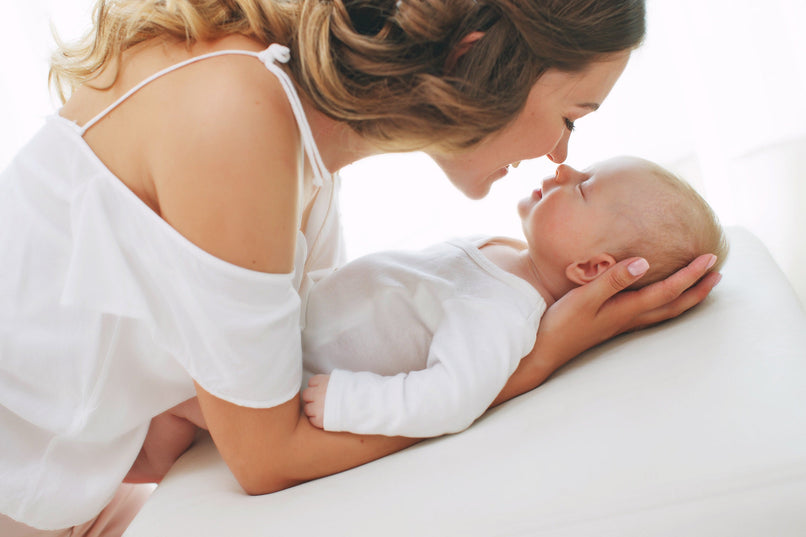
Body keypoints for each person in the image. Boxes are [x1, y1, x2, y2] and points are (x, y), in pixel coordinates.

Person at [0, 0, 721, 535]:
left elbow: (259, 381)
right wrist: (537, 357)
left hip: (68, 490)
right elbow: (266, 454)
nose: (562, 156)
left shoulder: (291, 118)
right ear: (475, 62)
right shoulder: (235, 110)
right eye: (574, 114)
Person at [300, 156, 728, 436]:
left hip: (295, 362)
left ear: (592, 269)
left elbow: (452, 398)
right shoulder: (508, 255)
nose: (564, 171)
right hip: (294, 313)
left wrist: (348, 402)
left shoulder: (504, 313)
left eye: (583, 188)